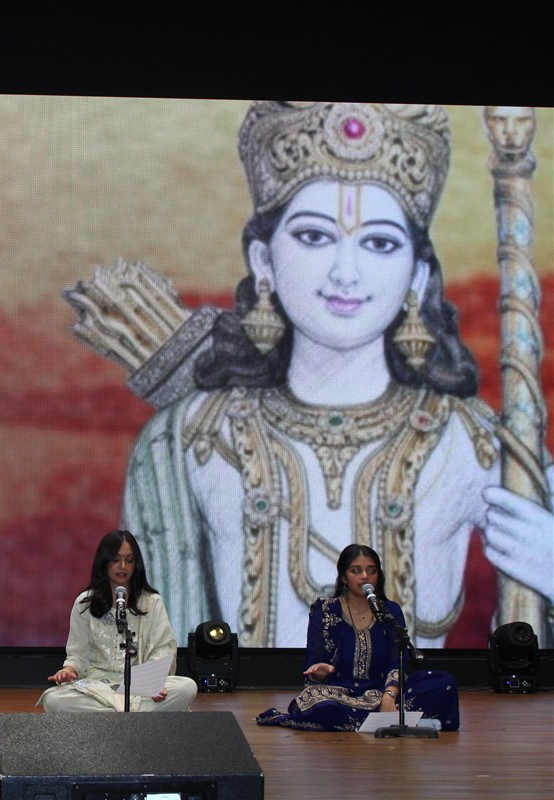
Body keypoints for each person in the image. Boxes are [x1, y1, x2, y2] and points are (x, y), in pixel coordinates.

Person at [121, 102, 553, 648]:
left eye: (380, 243)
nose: (346, 273)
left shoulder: (472, 442)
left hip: (412, 705)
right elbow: (144, 651)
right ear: (263, 259)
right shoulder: (189, 440)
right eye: (314, 236)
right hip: (241, 708)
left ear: (418, 276)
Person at [257, 544, 459, 732]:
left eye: (371, 571)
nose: (365, 576)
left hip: (382, 691)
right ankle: (391, 719)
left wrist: (389, 696)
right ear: (344, 577)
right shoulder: (325, 610)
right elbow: (313, 663)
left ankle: (378, 717)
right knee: (317, 702)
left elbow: (398, 661)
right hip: (340, 693)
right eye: (356, 571)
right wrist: (320, 672)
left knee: (443, 683)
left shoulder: (389, 611)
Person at [39, 530, 196, 713]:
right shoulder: (85, 603)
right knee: (53, 699)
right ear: (104, 562)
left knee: (187, 687)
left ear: (136, 564)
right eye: (115, 560)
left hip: (139, 686)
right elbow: (77, 654)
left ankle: (110, 719)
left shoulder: (152, 602)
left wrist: (152, 683)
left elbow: (163, 649)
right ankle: (130, 717)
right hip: (97, 685)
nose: (122, 566)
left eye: (129, 560)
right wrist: (69, 670)